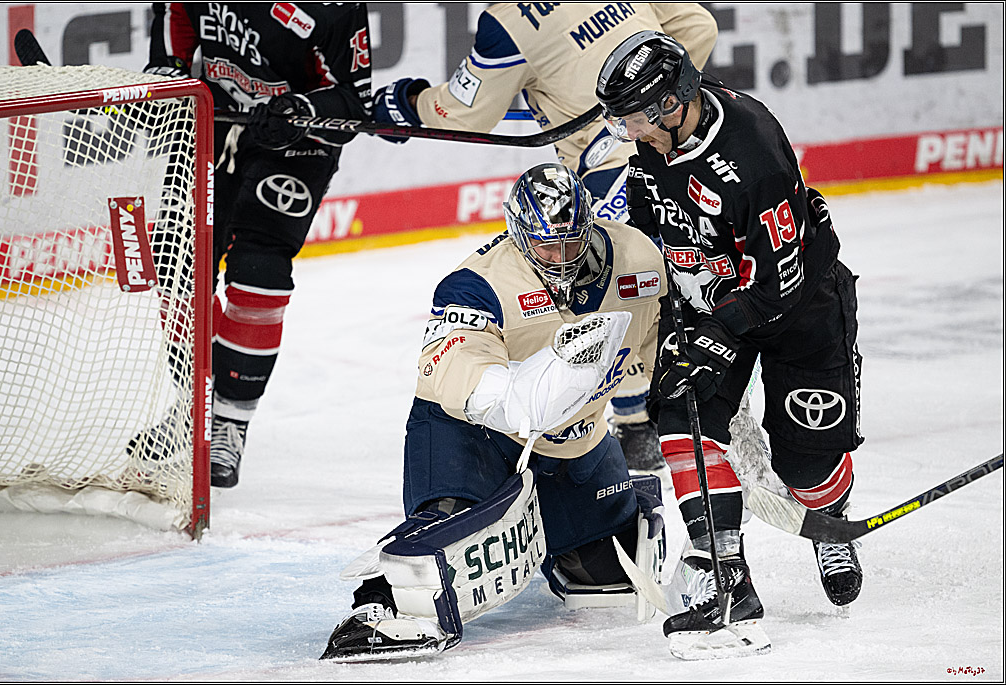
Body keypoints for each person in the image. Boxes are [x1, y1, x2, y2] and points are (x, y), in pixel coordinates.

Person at [321, 163, 668, 661]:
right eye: (548, 246)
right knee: (442, 544)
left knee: (610, 579)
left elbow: (663, 338)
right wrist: (522, 399)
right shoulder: (477, 284)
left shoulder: (638, 257)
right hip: (475, 432)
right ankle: (376, 602)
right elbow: (450, 365)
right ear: (519, 232)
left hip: (576, 437)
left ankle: (552, 536)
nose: (562, 258)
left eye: (573, 242)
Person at [595, 31, 865, 658]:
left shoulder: (752, 150)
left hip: (799, 306)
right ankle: (725, 581)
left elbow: (781, 281)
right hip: (714, 300)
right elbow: (644, 236)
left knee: (808, 469)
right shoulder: (650, 150)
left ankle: (831, 522)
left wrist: (715, 334)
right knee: (680, 414)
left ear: (671, 105)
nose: (630, 132)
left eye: (636, 118)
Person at [371, 3, 718, 474]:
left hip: (611, 171)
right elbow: (699, 29)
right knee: (661, 283)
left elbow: (461, 115)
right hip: (673, 147)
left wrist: (403, 106)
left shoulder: (508, 22)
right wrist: (647, 102)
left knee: (603, 291)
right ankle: (659, 413)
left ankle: (635, 422)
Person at [144, 3, 373, 488]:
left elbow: (355, 102)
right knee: (176, 263)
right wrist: (167, 78)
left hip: (298, 137)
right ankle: (194, 407)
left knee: (259, 268)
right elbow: (176, 21)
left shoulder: (334, 9)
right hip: (215, 118)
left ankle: (228, 422)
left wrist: (305, 110)